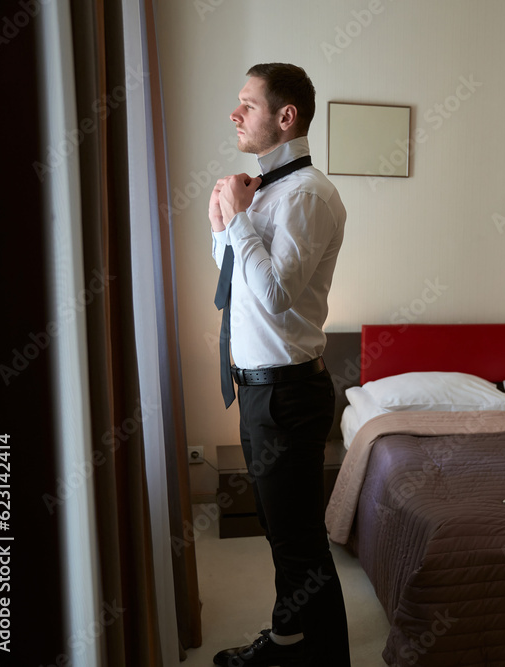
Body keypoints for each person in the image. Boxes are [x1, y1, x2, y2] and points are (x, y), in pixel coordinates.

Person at [208, 63, 350, 667]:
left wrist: (240, 221)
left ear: (284, 116)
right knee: (283, 534)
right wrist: (224, 219)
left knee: (299, 542)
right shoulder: (265, 189)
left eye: (247, 103)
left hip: (288, 395)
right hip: (259, 389)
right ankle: (293, 643)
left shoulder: (309, 194)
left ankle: (316, 655)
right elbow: (234, 283)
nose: (235, 114)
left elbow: (274, 296)